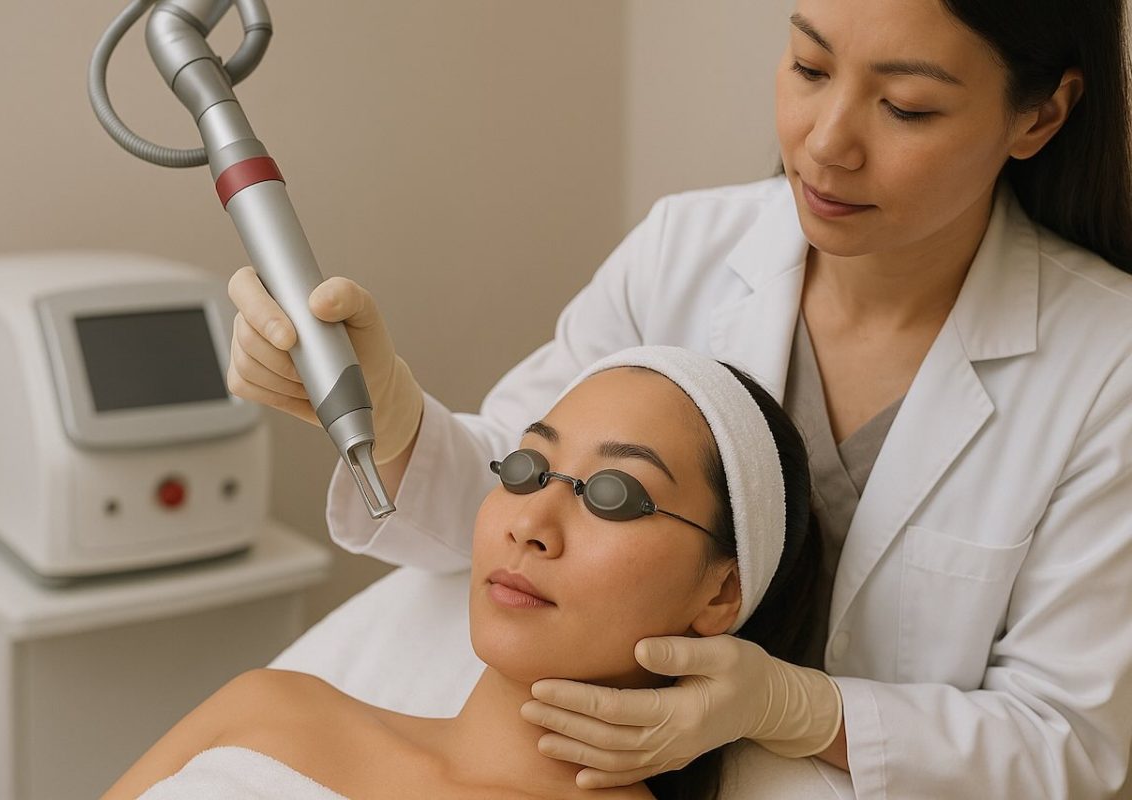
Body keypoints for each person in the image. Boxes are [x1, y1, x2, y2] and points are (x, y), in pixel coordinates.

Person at [226, 0, 1132, 796]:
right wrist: (393, 416)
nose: (826, 143)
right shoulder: (685, 250)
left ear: (1040, 113)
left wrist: (796, 707)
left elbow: (1074, 747)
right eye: (809, 67)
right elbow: (516, 504)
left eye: (906, 106)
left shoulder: (1106, 363)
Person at [103, 348, 829, 800]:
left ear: (720, 591)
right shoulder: (268, 706)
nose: (530, 521)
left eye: (613, 495)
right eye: (525, 468)